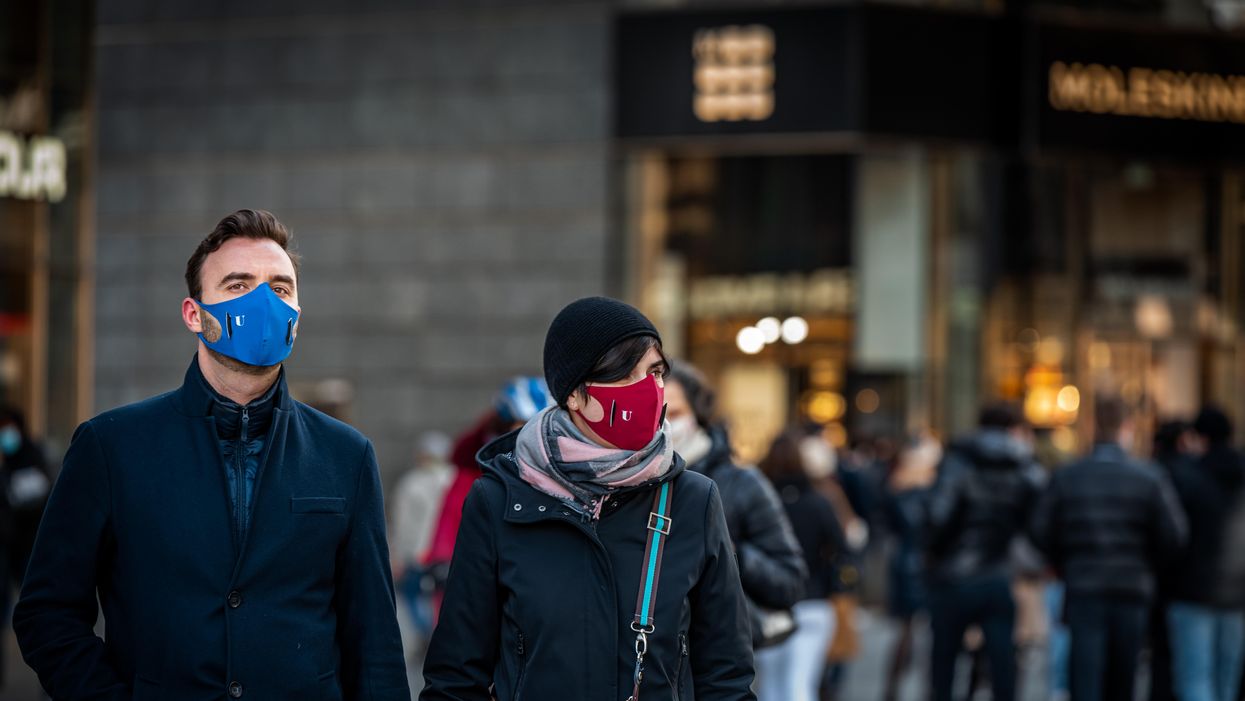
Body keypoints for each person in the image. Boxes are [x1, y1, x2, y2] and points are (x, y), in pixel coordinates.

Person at [13, 209, 409, 700]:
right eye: (238, 284)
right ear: (194, 314)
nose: (264, 302)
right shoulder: (111, 446)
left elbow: (374, 639)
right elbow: (47, 613)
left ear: (298, 317)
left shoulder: (345, 455)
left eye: (281, 288)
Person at [420, 297, 755, 701]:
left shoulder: (693, 500)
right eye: (625, 375)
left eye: (655, 371)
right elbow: (455, 676)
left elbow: (727, 676)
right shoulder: (499, 499)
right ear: (575, 395)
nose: (649, 389)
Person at [1030, 396, 1187, 701]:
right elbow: (1174, 536)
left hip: (1084, 586)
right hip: (1130, 587)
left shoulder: (1069, 477)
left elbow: (1040, 529)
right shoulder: (1148, 478)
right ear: (1127, 428)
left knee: (1085, 676)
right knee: (1123, 677)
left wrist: (1065, 561)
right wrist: (1147, 564)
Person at [665, 362, 806, 648]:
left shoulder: (743, 483)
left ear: (699, 415)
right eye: (655, 413)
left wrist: (727, 553)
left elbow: (790, 582)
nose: (665, 425)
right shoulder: (628, 481)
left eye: (675, 413)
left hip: (717, 652)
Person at [924, 405, 1045, 701]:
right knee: (1003, 662)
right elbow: (1040, 523)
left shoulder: (958, 461)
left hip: (952, 576)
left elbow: (937, 517)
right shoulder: (1024, 465)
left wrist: (934, 555)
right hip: (998, 575)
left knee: (944, 665)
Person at [421, 376, 553, 595]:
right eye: (517, 427)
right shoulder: (474, 475)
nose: (526, 436)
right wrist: (443, 560)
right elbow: (452, 517)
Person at [757, 430, 847, 701]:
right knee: (801, 685)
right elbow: (842, 549)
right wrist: (837, 585)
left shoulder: (760, 502)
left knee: (769, 686)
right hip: (813, 599)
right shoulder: (819, 502)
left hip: (767, 603)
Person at [1165, 407, 1245, 701]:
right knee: (1227, 680)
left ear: (1199, 438)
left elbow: (1172, 534)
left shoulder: (1188, 477)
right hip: (1237, 593)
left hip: (1193, 590)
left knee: (1196, 678)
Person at [389, 431, 455, 688]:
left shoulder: (412, 483)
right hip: (448, 552)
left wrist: (399, 554)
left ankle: (427, 634)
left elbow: (404, 524)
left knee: (414, 596)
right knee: (443, 598)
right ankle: (439, 635)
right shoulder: (454, 480)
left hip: (418, 552)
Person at [880, 434, 940, 701]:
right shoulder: (913, 490)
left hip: (910, 563)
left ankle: (898, 690)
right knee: (918, 635)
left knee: (914, 634)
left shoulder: (900, 487)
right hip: (917, 565)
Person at [0, 404, 51, 690]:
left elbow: (35, 491)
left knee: (41, 617)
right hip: (8, 552)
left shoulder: (31, 455)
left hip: (31, 550)